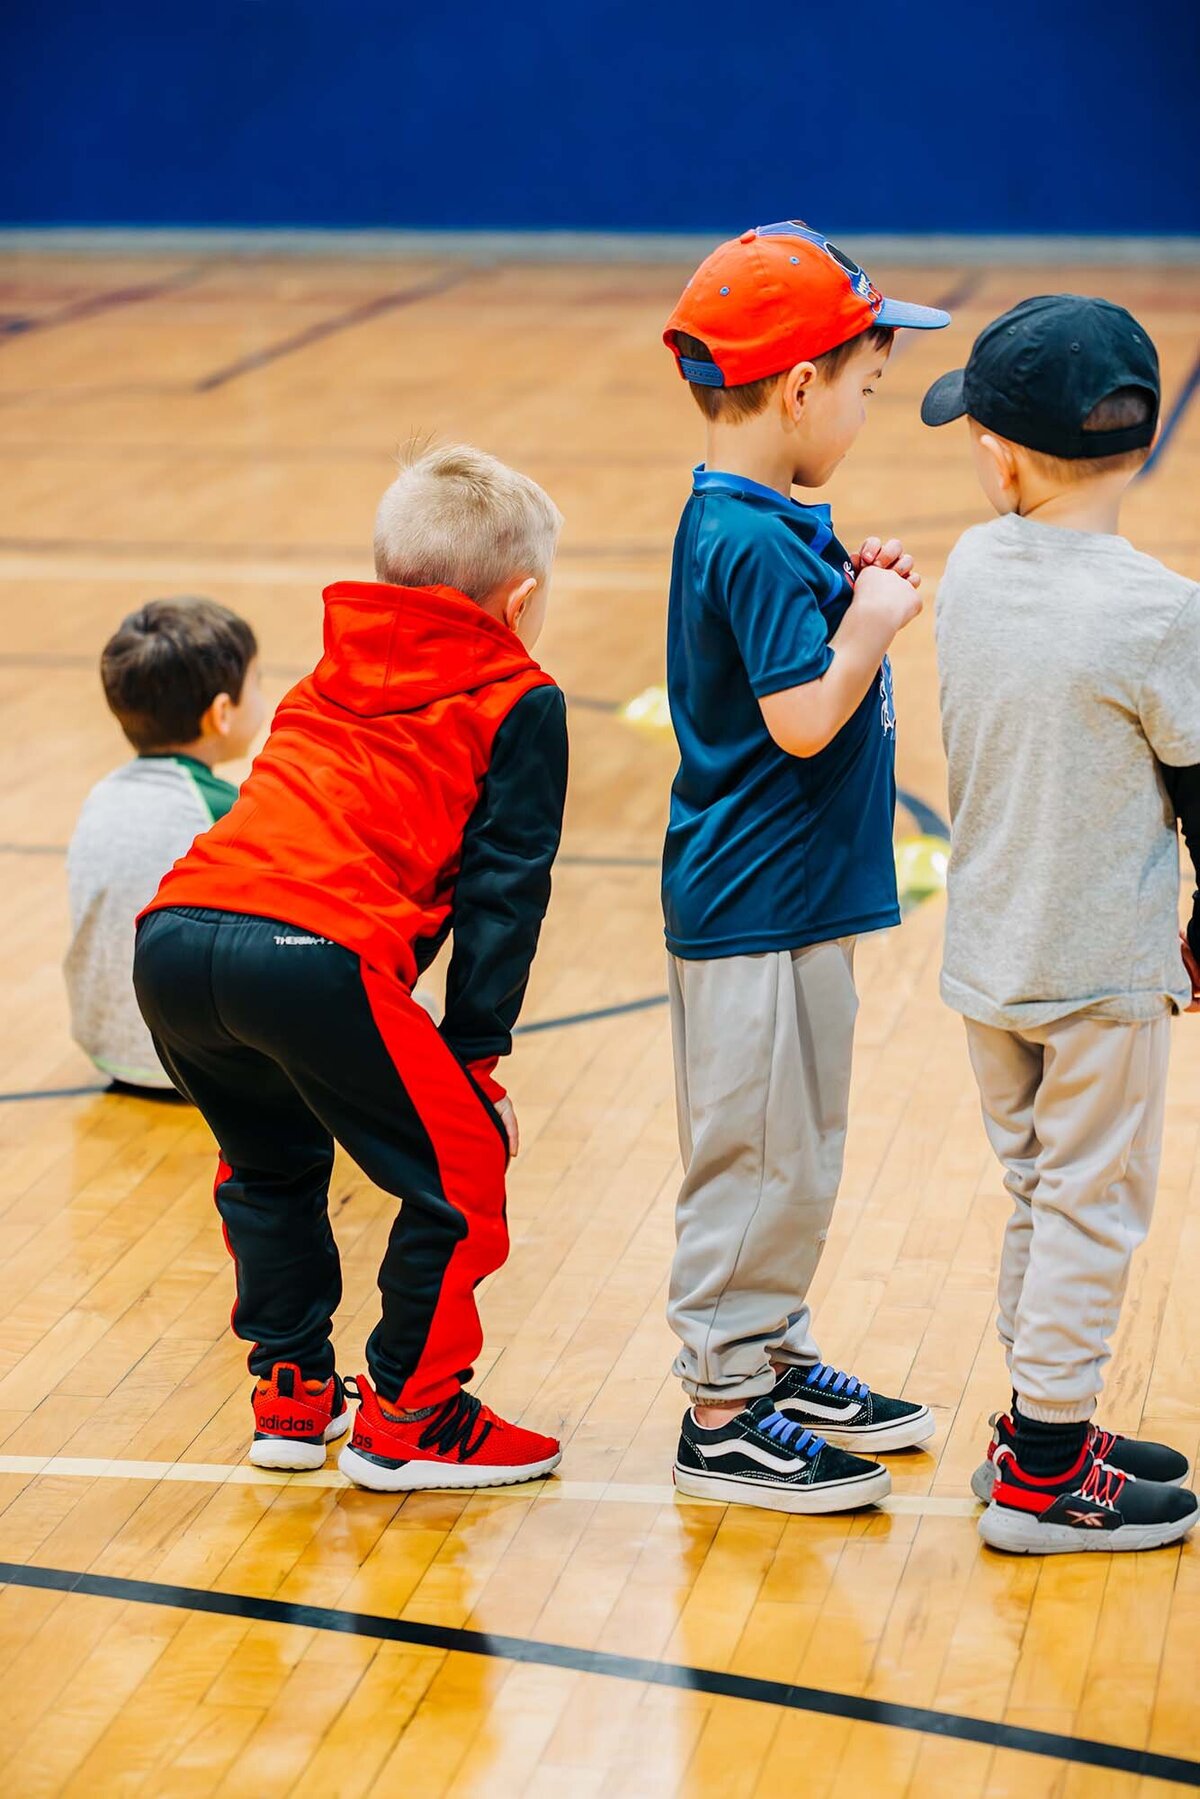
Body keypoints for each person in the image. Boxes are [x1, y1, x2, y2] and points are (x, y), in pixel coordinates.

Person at [133, 445, 569, 1491]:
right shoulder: (519, 695)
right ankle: (415, 1412)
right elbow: (503, 896)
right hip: (311, 955)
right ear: (522, 600)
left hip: (178, 936)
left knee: (270, 1159)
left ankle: (291, 1391)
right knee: (462, 1177)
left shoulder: (321, 677)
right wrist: (476, 1062)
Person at [660, 221, 950, 1512]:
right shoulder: (749, 536)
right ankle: (723, 1406)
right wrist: (876, 626)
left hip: (795, 897)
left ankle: (769, 1351)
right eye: (868, 389)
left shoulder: (770, 521)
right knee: (756, 1150)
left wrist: (854, 594)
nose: (867, 412)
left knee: (801, 1146)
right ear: (799, 389)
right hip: (754, 906)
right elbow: (802, 716)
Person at [923, 294, 1200, 1553]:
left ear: (1000, 456)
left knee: (1042, 1189)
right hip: (1101, 969)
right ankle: (1045, 1471)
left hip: (992, 958)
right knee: (1093, 1203)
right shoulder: (1159, 610)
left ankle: (1043, 1425)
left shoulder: (976, 564)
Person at [65, 597, 264, 1094]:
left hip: (108, 1049)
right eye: (257, 683)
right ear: (221, 713)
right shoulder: (226, 811)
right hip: (201, 1066)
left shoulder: (101, 794)